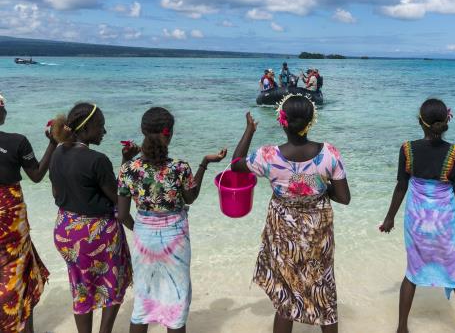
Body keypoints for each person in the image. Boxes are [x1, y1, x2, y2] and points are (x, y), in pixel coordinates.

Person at [231, 94, 350, 333]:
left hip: (283, 231)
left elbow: (236, 163)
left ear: (281, 121)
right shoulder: (329, 154)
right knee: (323, 289)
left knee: (286, 295)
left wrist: (250, 131)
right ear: (311, 121)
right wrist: (321, 187)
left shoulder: (268, 156)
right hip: (318, 231)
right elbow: (344, 198)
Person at [117, 107, 227, 333]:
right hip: (175, 237)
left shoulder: (129, 169)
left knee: (142, 301)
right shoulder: (180, 167)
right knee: (176, 302)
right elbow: (191, 197)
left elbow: (122, 214)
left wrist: (138, 229)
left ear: (143, 131)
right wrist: (204, 163)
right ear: (169, 134)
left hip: (143, 237)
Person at [380, 98, 455, 333]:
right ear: (447, 120)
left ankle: (401, 328)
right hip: (445, 224)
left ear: (420, 121)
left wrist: (390, 218)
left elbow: (401, 187)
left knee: (412, 272)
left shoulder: (407, 149)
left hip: (417, 223)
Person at [50, 102, 135, 333]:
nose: (104, 132)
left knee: (81, 288)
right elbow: (119, 200)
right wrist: (127, 162)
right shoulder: (97, 160)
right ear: (85, 129)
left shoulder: (57, 153)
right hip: (96, 235)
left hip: (66, 230)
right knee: (113, 284)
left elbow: (57, 194)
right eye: (101, 127)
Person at [0, 93, 54, 333]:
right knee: (18, 267)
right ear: (1, 114)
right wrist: (53, 144)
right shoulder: (17, 141)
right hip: (11, 217)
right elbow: (37, 175)